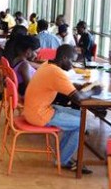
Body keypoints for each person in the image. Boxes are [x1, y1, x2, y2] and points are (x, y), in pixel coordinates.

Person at [23, 44, 102, 174]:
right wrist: (93, 91)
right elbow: (79, 100)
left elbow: (64, 84)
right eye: (72, 61)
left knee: (80, 116)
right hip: (39, 114)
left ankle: (61, 155)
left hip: (37, 108)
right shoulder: (56, 72)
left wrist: (80, 87)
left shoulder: (48, 65)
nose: (72, 65)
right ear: (64, 58)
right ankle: (63, 160)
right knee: (82, 124)